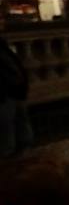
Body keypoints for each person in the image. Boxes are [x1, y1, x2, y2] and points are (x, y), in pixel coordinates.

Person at [0, 27, 33, 158]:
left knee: (7, 142)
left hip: (7, 96)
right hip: (12, 94)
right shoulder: (4, 48)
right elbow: (17, 71)